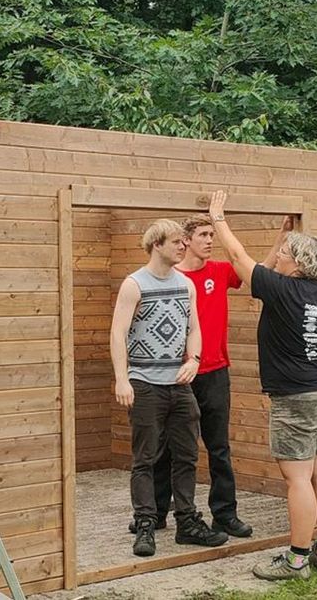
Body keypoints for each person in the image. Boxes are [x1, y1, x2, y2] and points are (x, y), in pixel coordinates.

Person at [206, 191, 317, 580]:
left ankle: (296, 560)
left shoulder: (282, 290)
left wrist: (218, 218)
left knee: (298, 479)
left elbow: (240, 259)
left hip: (297, 398)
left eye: (286, 253)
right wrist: (280, 237)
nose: (281, 258)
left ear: (297, 263)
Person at [110, 218, 230, 558]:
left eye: (183, 241)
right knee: (145, 458)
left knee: (187, 455)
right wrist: (122, 378)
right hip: (146, 383)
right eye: (177, 242)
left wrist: (193, 359)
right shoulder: (134, 285)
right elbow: (117, 332)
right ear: (157, 245)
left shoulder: (185, 284)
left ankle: (187, 522)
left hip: (179, 385)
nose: (183, 246)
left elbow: (194, 327)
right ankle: (146, 522)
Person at [136, 214, 253, 538]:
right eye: (203, 234)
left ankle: (225, 515)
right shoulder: (169, 278)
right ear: (185, 241)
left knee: (218, 447)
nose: (209, 240)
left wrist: (280, 238)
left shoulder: (217, 271)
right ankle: (157, 513)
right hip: (177, 375)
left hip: (214, 371)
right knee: (164, 447)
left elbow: (254, 271)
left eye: (211, 234)